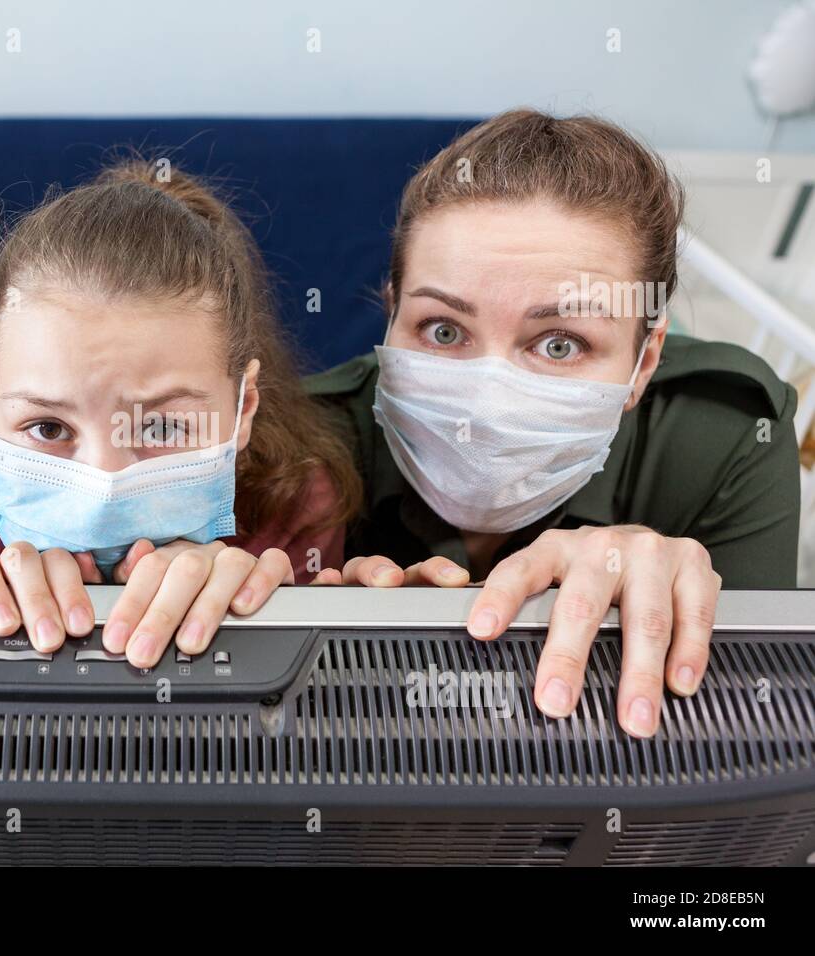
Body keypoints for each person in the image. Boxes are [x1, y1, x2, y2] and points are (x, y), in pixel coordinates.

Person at [307, 109, 800, 738]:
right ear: (391, 315)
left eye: (560, 344)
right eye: (444, 330)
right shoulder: (308, 445)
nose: (487, 405)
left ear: (643, 361)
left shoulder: (725, 436)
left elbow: (751, 734)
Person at [0, 161, 367, 668]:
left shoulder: (297, 504)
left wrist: (250, 623)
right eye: (49, 428)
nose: (103, 482)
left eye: (159, 426)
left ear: (243, 408)